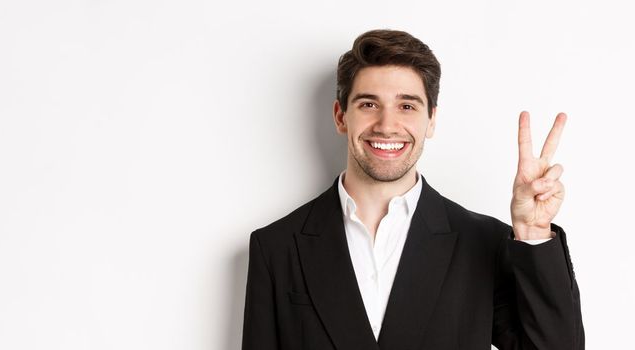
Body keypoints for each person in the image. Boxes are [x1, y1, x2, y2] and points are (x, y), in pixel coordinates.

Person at [242, 29, 584, 350]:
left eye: (406, 106)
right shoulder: (276, 247)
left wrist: (534, 232)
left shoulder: (483, 243)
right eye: (368, 104)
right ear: (340, 116)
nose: (387, 126)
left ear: (431, 120)